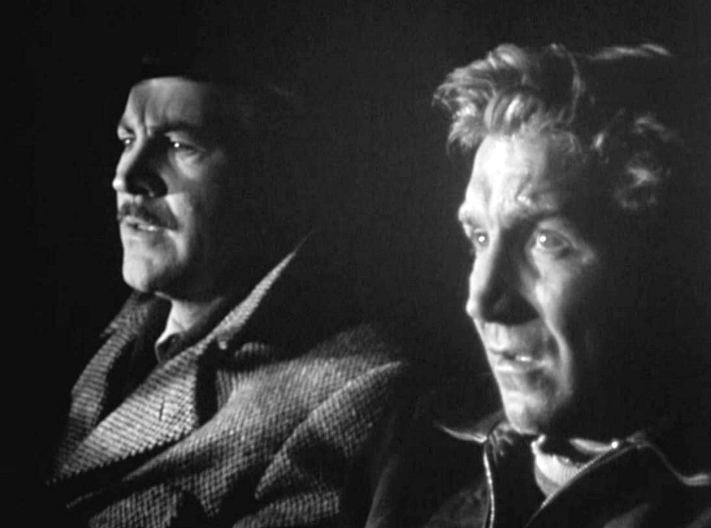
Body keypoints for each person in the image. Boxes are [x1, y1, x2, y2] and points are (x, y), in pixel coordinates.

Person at [43, 5, 416, 527]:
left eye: (179, 145)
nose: (125, 176)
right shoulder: (121, 333)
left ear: (275, 178)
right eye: (128, 141)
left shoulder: (352, 388)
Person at [365, 43, 711, 527]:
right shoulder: (416, 452)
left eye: (547, 241)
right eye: (479, 238)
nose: (481, 299)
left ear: (664, 262)